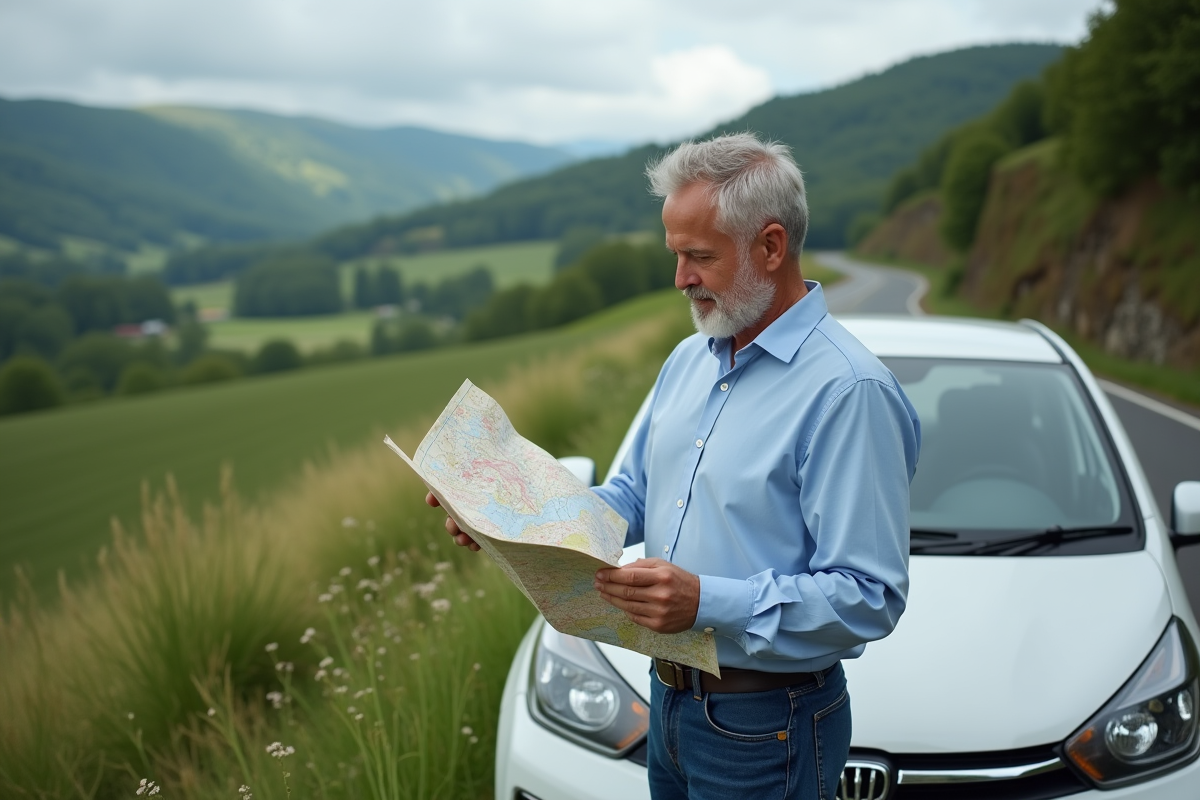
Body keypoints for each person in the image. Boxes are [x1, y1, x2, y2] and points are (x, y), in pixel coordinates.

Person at [431, 132, 920, 799]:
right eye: (676, 255)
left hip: (768, 722)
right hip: (668, 705)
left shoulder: (847, 391)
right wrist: (508, 516)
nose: (680, 279)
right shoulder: (689, 360)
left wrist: (706, 601)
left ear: (771, 247)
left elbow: (870, 595)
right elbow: (633, 492)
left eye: (699, 257)